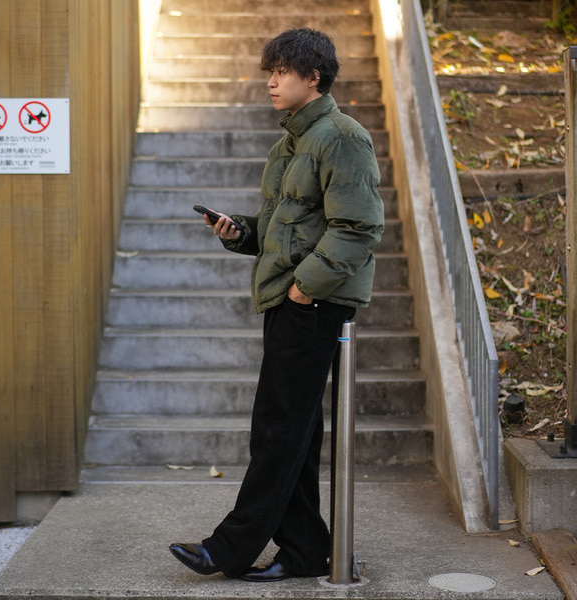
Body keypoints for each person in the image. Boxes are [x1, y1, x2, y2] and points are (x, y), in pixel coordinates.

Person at [169, 27, 384, 582]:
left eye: (283, 71)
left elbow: (358, 228)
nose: (271, 81)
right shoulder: (290, 143)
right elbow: (284, 229)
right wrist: (239, 231)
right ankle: (306, 550)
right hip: (289, 300)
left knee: (277, 430)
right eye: (271, 71)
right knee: (296, 435)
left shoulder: (342, 137)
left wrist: (304, 288)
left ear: (313, 77)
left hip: (313, 303)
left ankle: (229, 548)